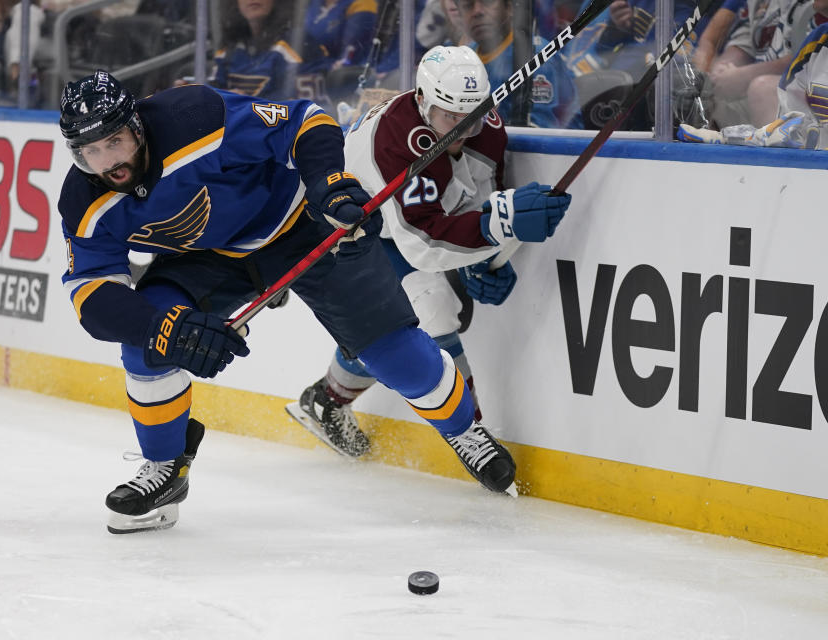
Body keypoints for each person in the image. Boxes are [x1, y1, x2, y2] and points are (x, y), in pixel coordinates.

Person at [58, 70, 570, 531]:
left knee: (397, 353)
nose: (108, 163)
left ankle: (464, 432)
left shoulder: (194, 116)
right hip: (206, 258)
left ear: (138, 128)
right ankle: (166, 468)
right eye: (90, 152)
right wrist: (165, 329)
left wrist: (328, 185)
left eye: (115, 142)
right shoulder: (85, 201)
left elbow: (305, 120)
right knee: (146, 344)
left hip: (302, 226)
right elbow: (92, 296)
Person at [287, 46, 570, 461]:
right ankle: (470, 433)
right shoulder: (396, 142)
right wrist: (493, 231)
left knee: (423, 315)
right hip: (347, 230)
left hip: (401, 226)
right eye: (448, 118)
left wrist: (485, 254)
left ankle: (325, 399)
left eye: (469, 118)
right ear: (422, 100)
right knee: (429, 310)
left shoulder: (483, 124)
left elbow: (479, 194)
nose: (460, 130)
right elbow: (422, 245)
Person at [678, 18, 828, 148]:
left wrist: (744, 75)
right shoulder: (817, 39)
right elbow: (789, 128)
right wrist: (733, 137)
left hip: (817, 172)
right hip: (806, 169)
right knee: (687, 101)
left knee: (763, 89)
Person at [460, 0, 582, 128]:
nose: (477, 11)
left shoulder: (538, 57)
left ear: (509, 7)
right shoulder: (462, 59)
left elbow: (538, 137)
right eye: (468, 5)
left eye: (487, 2)